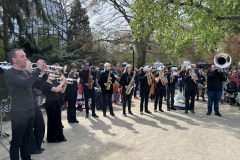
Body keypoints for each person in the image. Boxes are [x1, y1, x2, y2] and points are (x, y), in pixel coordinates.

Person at [4, 49, 45, 160]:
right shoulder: (9, 74)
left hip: (30, 110)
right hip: (19, 113)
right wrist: (38, 69)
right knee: (17, 142)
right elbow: (24, 83)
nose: (25, 58)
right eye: (22, 56)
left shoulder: (25, 72)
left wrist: (44, 73)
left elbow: (35, 84)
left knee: (27, 140)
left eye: (25, 56)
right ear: (14, 59)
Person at [25, 61, 47, 154]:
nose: (32, 67)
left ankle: (37, 145)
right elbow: (35, 83)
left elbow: (39, 84)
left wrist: (45, 74)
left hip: (34, 103)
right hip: (28, 105)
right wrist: (38, 71)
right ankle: (32, 148)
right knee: (31, 128)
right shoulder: (26, 77)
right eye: (29, 66)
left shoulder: (31, 76)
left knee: (40, 125)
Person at [42, 73, 67, 143]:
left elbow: (61, 91)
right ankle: (51, 138)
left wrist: (65, 84)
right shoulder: (45, 84)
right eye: (51, 75)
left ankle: (60, 136)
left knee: (58, 119)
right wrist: (62, 82)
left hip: (56, 101)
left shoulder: (53, 82)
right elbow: (56, 90)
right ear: (48, 76)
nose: (54, 75)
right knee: (51, 120)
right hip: (50, 103)